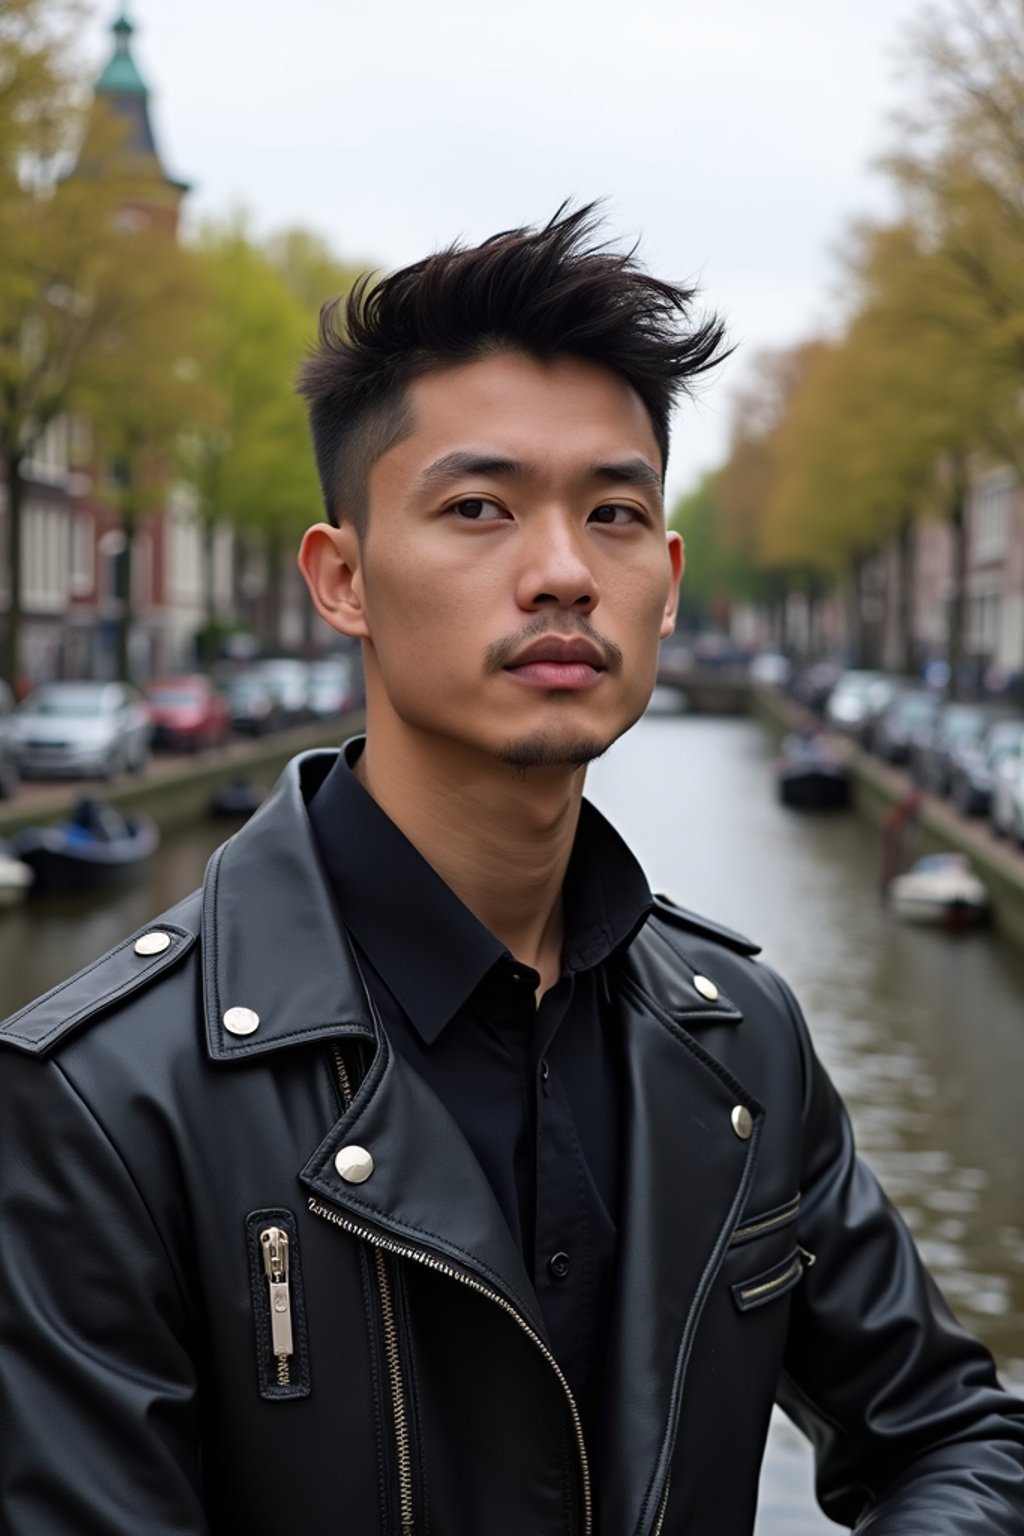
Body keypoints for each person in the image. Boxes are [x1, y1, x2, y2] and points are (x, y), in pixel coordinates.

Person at [1, 207, 1023, 1536]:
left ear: (665, 581)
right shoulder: (98, 1104)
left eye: (612, 513)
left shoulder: (738, 1039)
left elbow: (955, 1433)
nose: (559, 573)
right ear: (343, 578)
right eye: (479, 508)